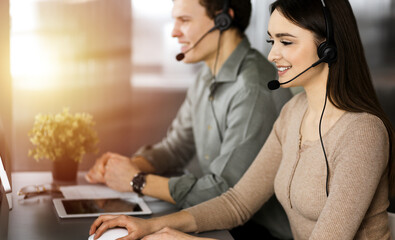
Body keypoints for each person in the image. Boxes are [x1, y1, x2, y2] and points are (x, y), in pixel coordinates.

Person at [88, 0, 395, 239]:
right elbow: (237, 201)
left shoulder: (363, 133)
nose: (273, 55)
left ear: (328, 49)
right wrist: (152, 226)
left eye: (286, 42)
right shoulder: (294, 112)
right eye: (272, 40)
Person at [86, 0, 293, 239]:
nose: (174, 31)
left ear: (223, 20)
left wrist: (137, 181)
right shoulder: (206, 76)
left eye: (184, 20)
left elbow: (224, 192)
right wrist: (124, 169)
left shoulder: (252, 88)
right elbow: (176, 147)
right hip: (221, 220)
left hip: (258, 231)